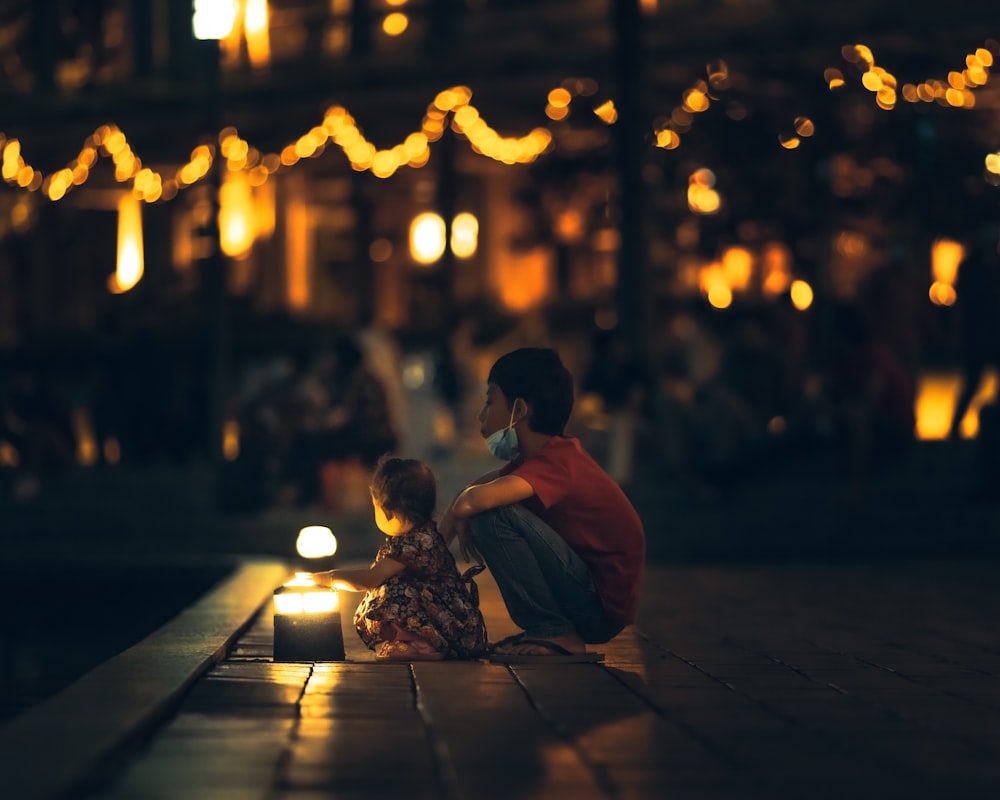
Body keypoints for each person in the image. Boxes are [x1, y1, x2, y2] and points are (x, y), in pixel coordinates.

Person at [439, 347, 646, 664]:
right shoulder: (538, 461)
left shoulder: (557, 463)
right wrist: (429, 559)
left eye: (490, 400)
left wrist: (466, 512)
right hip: (584, 592)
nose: (481, 414)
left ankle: (554, 630)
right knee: (486, 506)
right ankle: (551, 628)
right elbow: (470, 493)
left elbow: (475, 500)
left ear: (518, 410)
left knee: (492, 515)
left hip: (599, 606)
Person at [312, 455, 487, 662]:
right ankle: (422, 642)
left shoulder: (407, 546)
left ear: (385, 510)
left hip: (437, 622)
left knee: (391, 588)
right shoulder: (430, 535)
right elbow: (461, 498)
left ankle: (416, 643)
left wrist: (327, 578)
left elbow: (369, 579)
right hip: (455, 622)